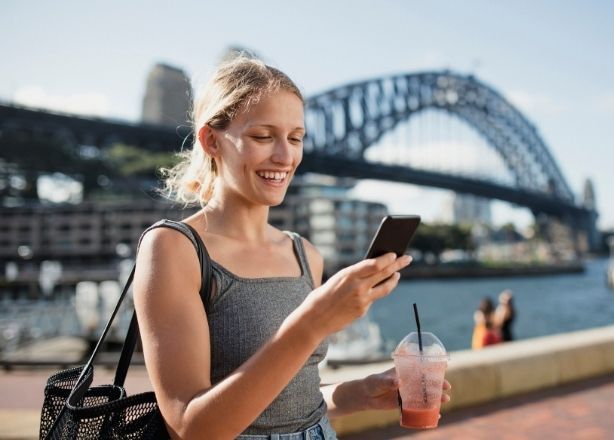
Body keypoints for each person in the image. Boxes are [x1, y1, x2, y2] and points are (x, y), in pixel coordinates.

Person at [133, 57, 450, 439]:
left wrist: (357, 393)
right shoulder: (174, 248)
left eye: (296, 137)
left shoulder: (305, 255)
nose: (285, 157)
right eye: (263, 137)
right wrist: (311, 322)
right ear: (211, 140)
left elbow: (284, 396)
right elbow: (191, 428)